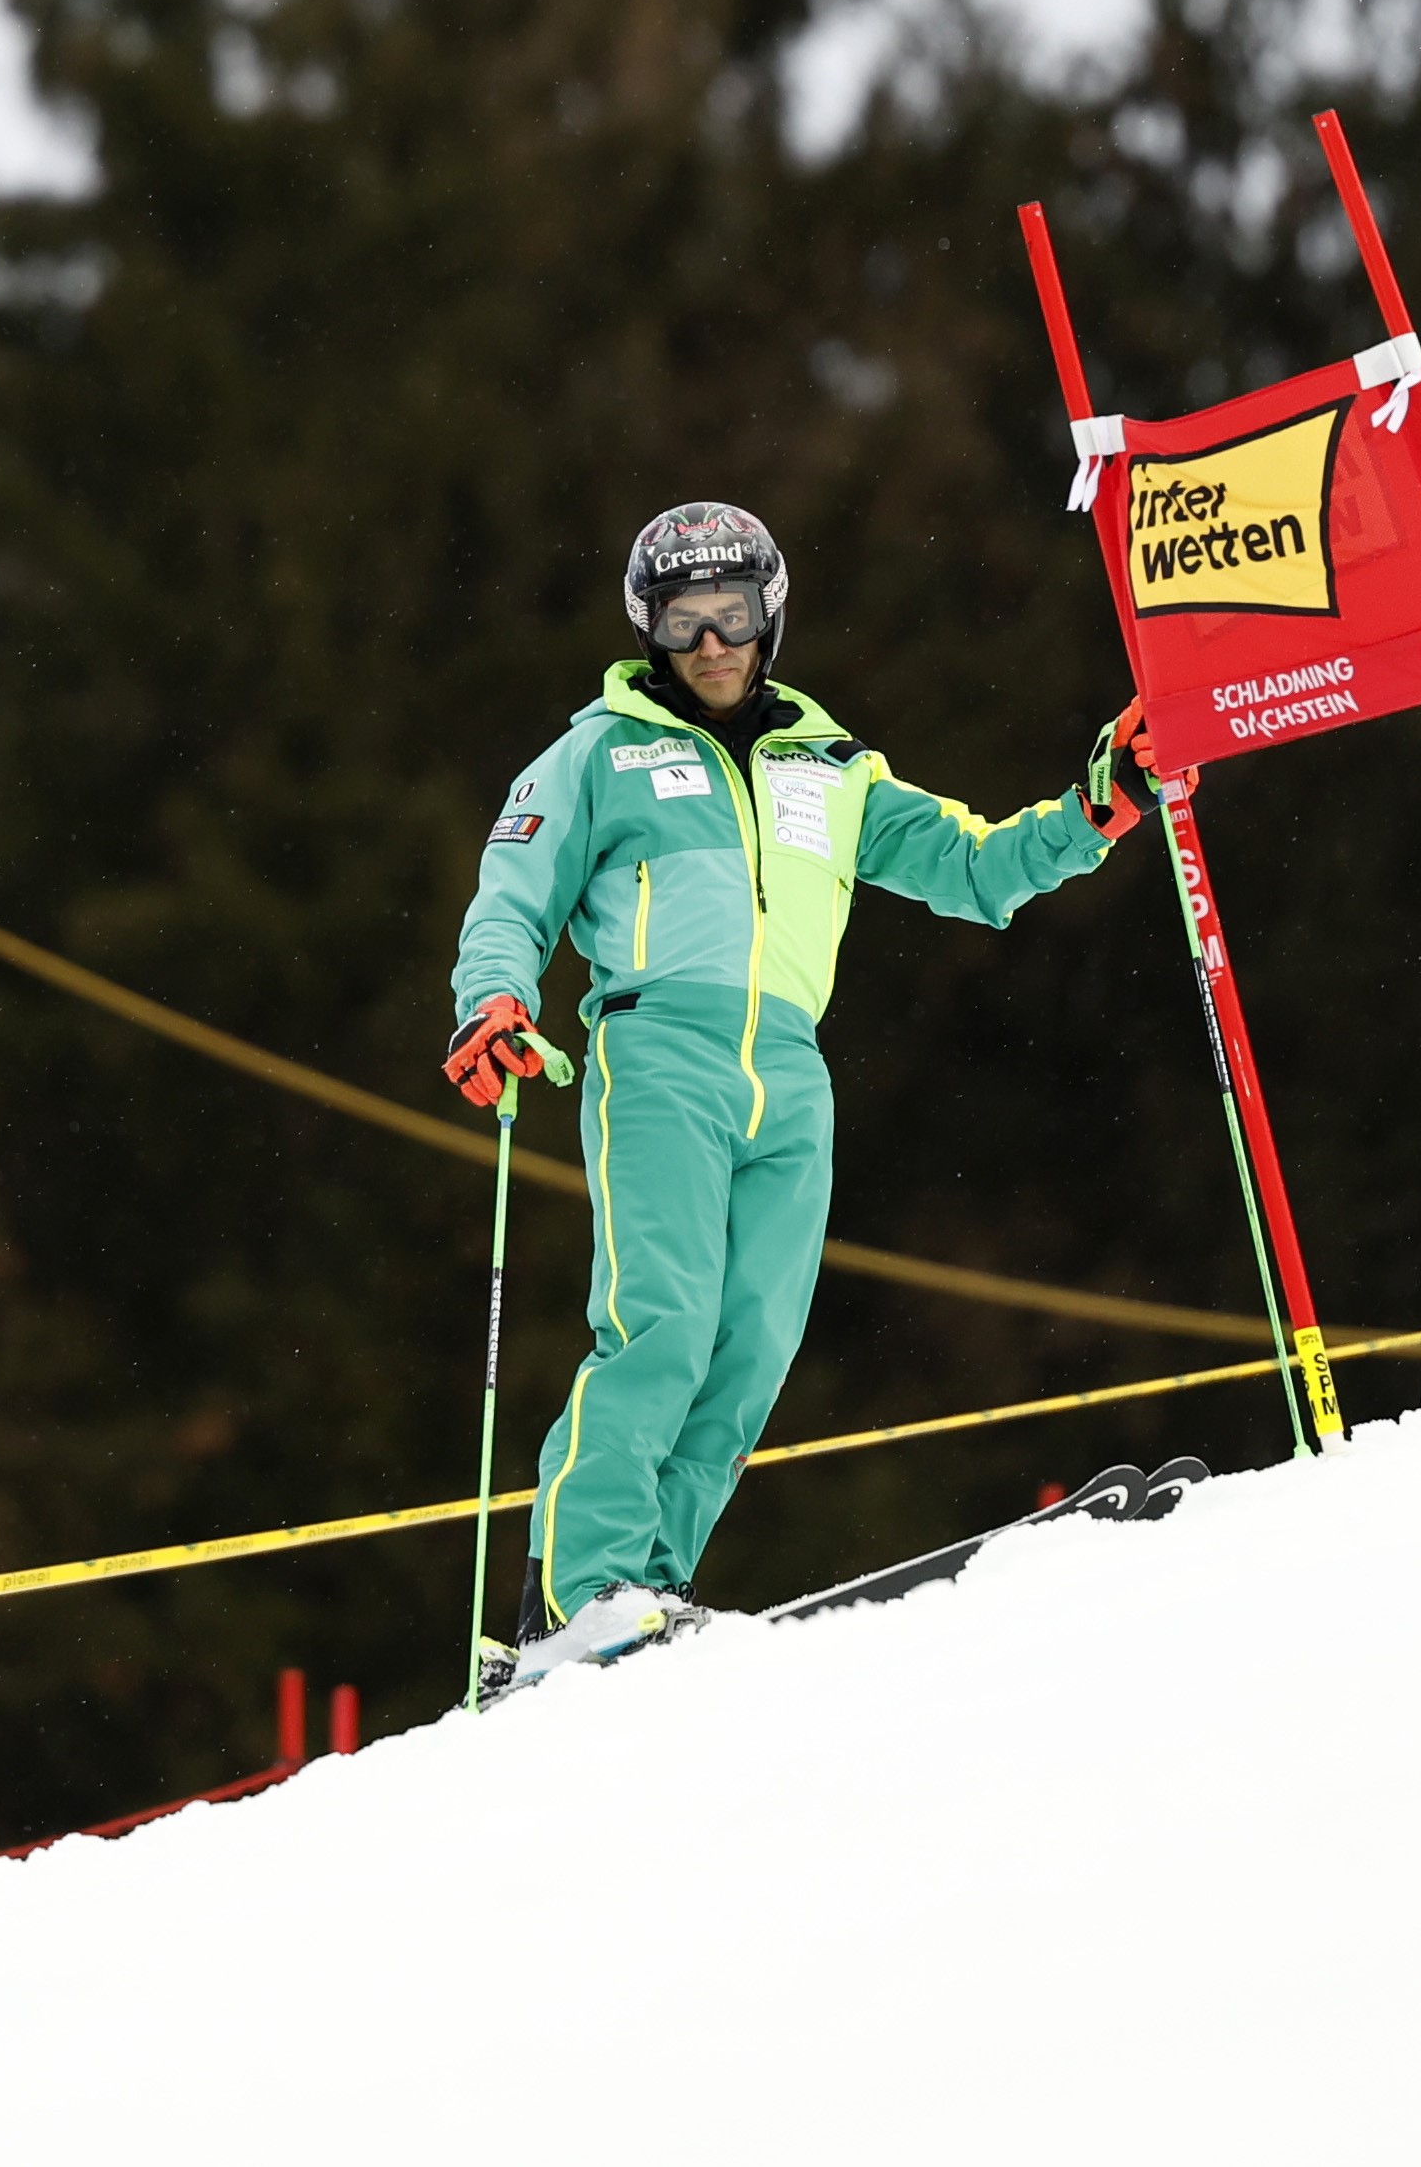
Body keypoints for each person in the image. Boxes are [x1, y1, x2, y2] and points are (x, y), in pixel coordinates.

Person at [444, 501, 1147, 1688]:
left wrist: (1094, 811)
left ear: (771, 619)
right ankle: (578, 1595)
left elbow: (973, 867)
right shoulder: (600, 752)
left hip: (790, 1067)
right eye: (682, 622)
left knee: (754, 1339)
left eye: (730, 617)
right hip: (659, 1045)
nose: (710, 645)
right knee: (659, 1315)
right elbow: (514, 890)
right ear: (648, 629)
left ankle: (646, 1588)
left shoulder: (830, 765)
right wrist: (494, 998)